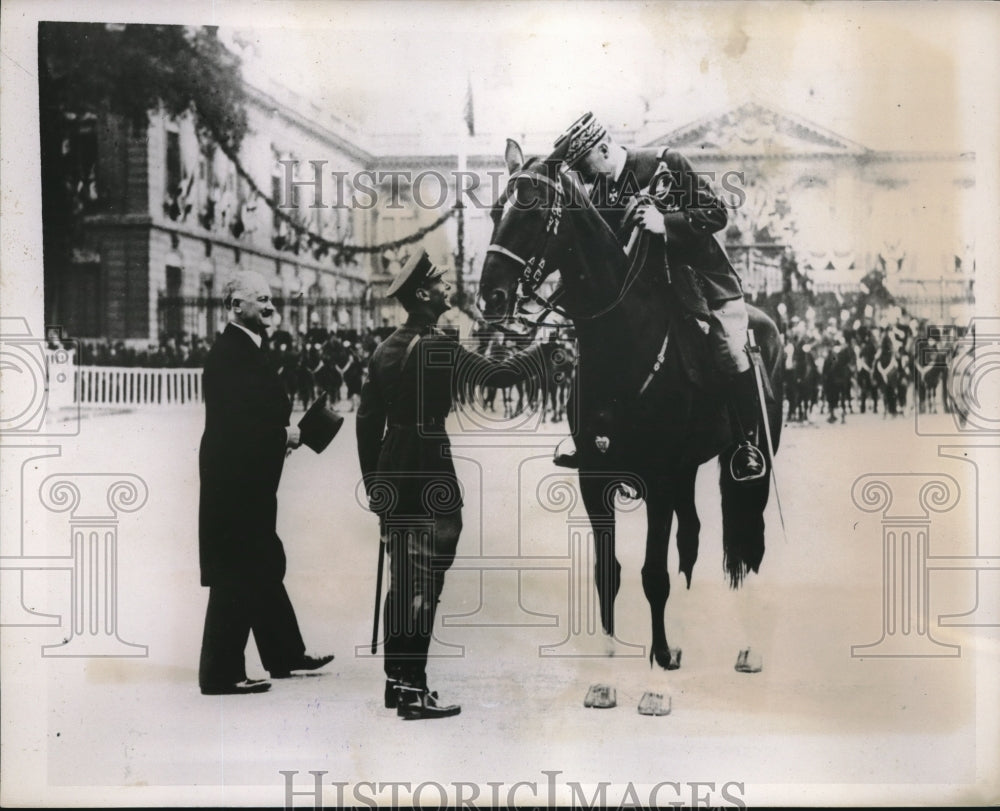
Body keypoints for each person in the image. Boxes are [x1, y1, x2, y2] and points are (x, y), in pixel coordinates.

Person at [356, 249, 540, 720]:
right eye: (437, 282)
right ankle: (415, 693)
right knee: (423, 582)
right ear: (423, 295)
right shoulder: (436, 345)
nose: (444, 286)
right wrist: (542, 352)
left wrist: (378, 491)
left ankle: (397, 683)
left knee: (404, 582)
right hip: (427, 464)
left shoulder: (384, 349)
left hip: (394, 465)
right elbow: (496, 375)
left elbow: (365, 425)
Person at [552, 112, 765, 479]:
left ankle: (746, 441)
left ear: (603, 149)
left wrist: (666, 223)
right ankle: (592, 435)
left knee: (730, 348)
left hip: (700, 282)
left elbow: (716, 214)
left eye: (584, 169)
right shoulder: (599, 192)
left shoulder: (667, 163)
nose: (583, 179)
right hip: (646, 291)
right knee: (597, 347)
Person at [198, 270, 334, 695]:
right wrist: (284, 435)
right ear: (236, 306)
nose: (272, 306)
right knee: (235, 570)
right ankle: (220, 673)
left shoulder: (247, 349)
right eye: (261, 299)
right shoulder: (230, 354)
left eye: (271, 298)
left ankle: (284, 653)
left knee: (262, 561)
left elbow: (253, 415)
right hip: (234, 483)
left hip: (247, 478)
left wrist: (281, 437)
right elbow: (236, 427)